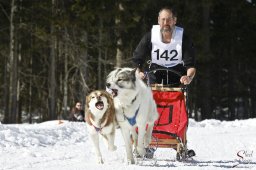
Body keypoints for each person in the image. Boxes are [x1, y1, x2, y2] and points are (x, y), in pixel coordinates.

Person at [133, 7, 196, 86]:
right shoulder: (149, 37)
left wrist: (188, 77)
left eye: (169, 19)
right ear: (158, 20)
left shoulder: (184, 39)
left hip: (177, 79)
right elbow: (137, 59)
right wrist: (138, 73)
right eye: (163, 19)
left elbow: (191, 66)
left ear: (174, 20)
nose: (166, 23)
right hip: (155, 78)